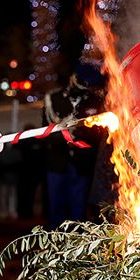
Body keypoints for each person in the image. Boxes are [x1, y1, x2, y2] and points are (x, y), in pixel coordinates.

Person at [43, 63, 105, 229]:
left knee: (78, 209)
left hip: (82, 161)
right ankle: (56, 244)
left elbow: (98, 132)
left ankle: (75, 245)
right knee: (56, 207)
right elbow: (46, 129)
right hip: (58, 161)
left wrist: (82, 131)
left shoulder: (94, 100)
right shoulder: (53, 98)